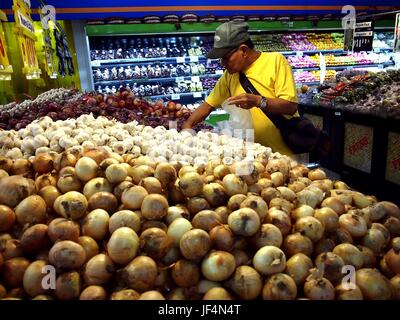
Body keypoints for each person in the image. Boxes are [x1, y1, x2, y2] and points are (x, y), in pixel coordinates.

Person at [182, 21, 299, 155]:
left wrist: (258, 101)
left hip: (283, 154)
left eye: (226, 58)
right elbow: (208, 105)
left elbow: (291, 106)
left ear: (243, 50)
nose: (222, 63)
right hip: (250, 155)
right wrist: (188, 125)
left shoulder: (276, 61)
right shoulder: (229, 76)